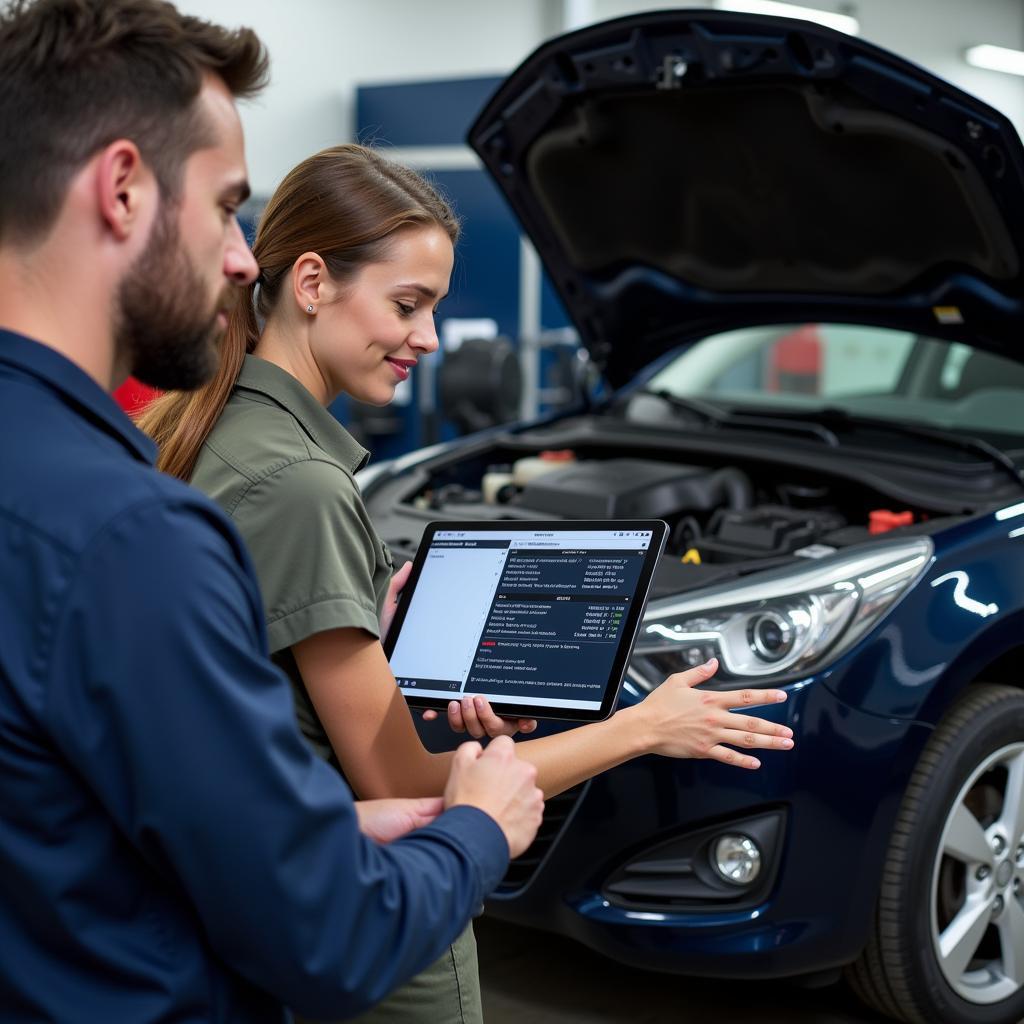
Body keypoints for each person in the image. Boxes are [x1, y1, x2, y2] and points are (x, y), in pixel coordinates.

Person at [139, 143, 797, 1024]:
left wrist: (361, 621)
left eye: (434, 309)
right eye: (407, 305)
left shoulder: (200, 431)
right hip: (372, 926)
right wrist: (642, 727)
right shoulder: (301, 485)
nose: (431, 339)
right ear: (310, 282)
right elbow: (407, 786)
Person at [0, 2, 547, 1022]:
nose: (241, 258)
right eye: (224, 207)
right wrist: (476, 824)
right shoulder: (130, 537)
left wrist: (310, 825)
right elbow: (330, 937)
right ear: (122, 189)